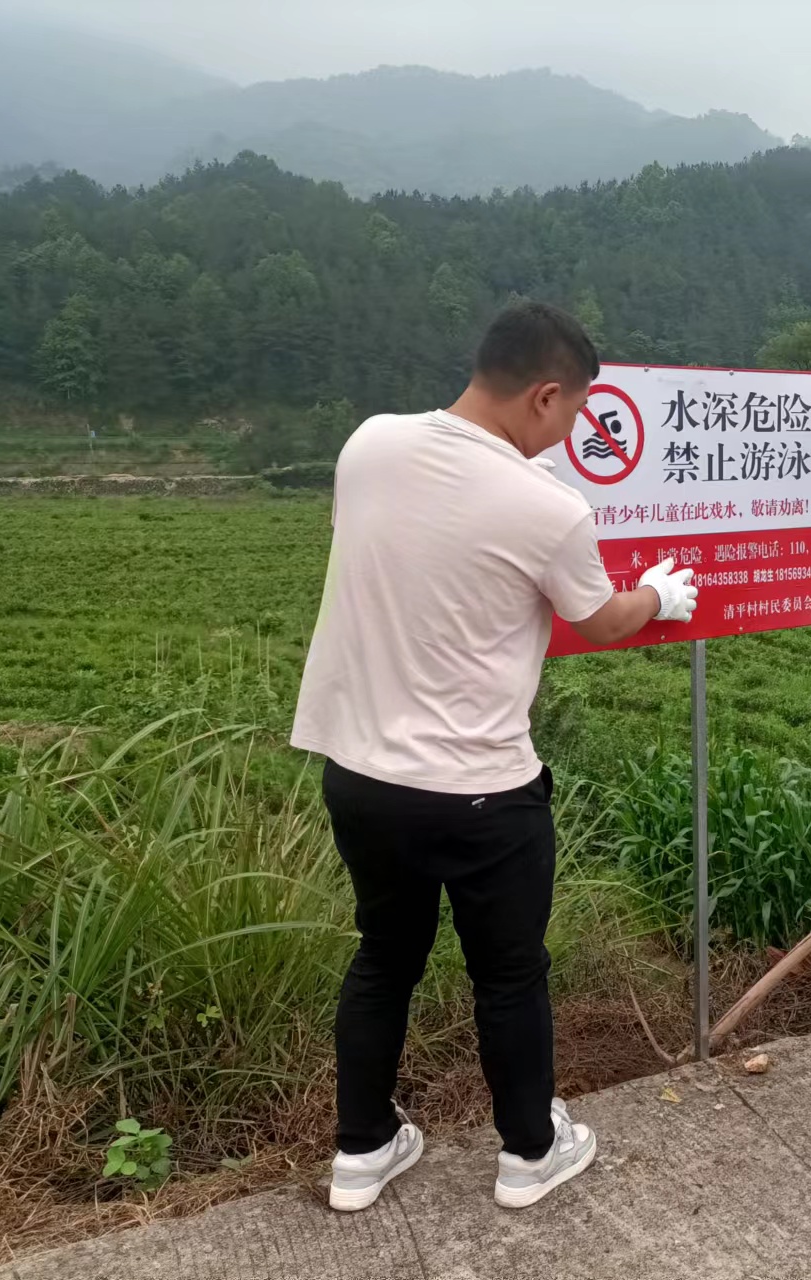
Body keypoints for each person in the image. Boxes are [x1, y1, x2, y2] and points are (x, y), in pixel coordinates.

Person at [291, 302, 699, 1213]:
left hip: (361, 777)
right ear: (546, 396)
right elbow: (600, 619)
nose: (573, 432)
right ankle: (528, 1153)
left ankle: (361, 1152)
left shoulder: (368, 444)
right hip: (481, 792)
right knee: (509, 974)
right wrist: (657, 596)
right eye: (575, 412)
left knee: (383, 958)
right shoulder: (549, 507)